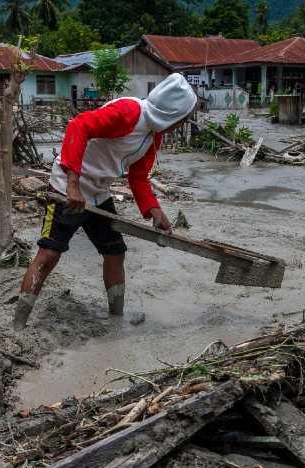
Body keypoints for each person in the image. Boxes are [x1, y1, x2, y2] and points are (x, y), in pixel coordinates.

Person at [12, 73, 198, 330]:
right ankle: (18, 326)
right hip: (67, 186)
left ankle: (116, 321)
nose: (183, 123)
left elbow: (139, 176)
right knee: (48, 254)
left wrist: (154, 211)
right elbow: (79, 125)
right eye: (184, 118)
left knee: (115, 252)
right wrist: (72, 185)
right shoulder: (129, 112)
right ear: (172, 113)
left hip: (99, 193)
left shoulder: (153, 135)